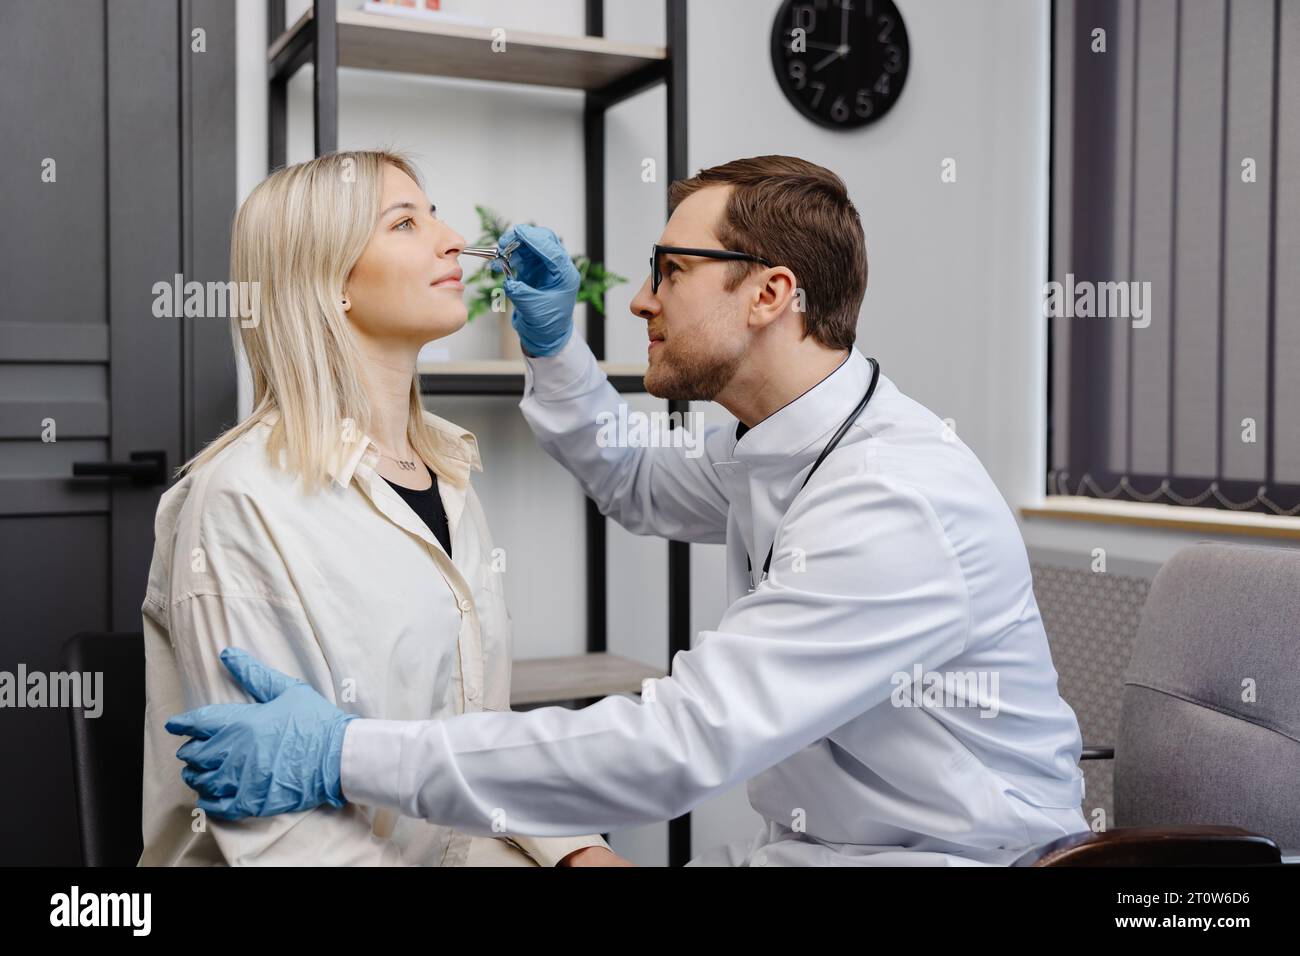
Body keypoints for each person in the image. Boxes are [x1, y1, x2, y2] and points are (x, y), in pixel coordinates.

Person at [168, 155, 1092, 866]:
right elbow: (633, 477)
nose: (641, 298)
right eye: (406, 221)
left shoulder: (895, 499)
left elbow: (675, 741)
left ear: (770, 294)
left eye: (670, 270)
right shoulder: (773, 443)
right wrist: (554, 346)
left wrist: (344, 755)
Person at [139, 148, 624, 866]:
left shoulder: (448, 472)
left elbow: (476, 734)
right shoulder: (239, 501)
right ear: (329, 282)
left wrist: (579, 851)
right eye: (405, 222)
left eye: (432, 213)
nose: (452, 238)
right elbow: (277, 831)